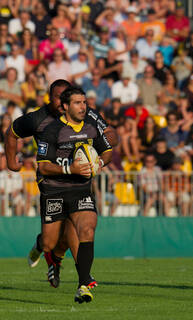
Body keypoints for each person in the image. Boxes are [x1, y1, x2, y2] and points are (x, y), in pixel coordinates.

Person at [5, 79, 117, 287]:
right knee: (51, 240)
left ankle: (83, 279)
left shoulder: (85, 114)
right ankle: (46, 249)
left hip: (78, 182)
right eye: (58, 97)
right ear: (51, 98)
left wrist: (99, 152)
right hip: (51, 183)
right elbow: (11, 133)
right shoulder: (38, 119)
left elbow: (110, 134)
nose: (63, 101)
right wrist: (12, 162)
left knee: (76, 227)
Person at [35, 86, 112, 303]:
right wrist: (71, 169)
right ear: (66, 106)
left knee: (87, 228)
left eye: (84, 102)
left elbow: (107, 150)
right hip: (54, 191)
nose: (83, 107)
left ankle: (83, 285)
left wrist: (99, 162)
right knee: (50, 243)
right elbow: (43, 167)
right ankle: (43, 248)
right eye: (77, 103)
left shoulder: (91, 127)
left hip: (80, 190)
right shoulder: (52, 130)